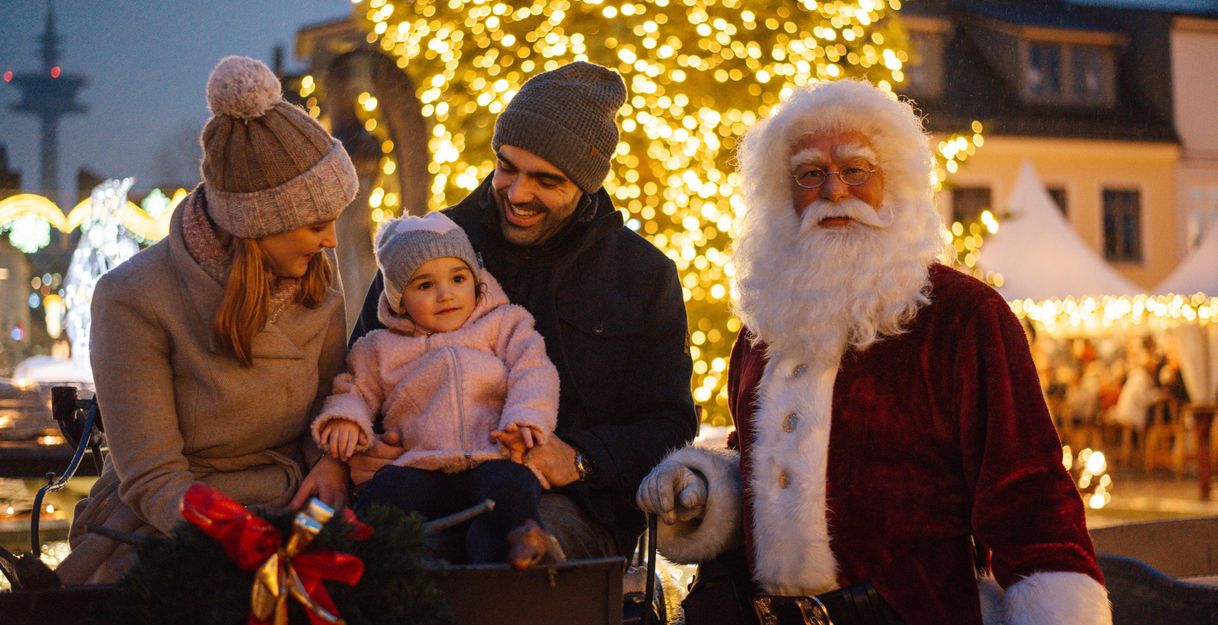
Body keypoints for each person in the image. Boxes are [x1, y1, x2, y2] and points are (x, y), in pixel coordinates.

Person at [636, 80, 1110, 625]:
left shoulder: (963, 317)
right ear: (783, 193)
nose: (834, 191)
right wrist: (705, 489)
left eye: (857, 169)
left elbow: (1030, 501)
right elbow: (762, 464)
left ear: (897, 182)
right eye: (811, 173)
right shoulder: (765, 325)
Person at [330, 61, 698, 559]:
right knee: (388, 555)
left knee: (511, 556)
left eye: (546, 180)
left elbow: (667, 425)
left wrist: (582, 458)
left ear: (585, 182)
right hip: (421, 477)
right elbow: (363, 364)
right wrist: (360, 449)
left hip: (568, 504)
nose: (518, 193)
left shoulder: (641, 275)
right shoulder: (430, 246)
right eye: (507, 167)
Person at [55, 56, 356, 585]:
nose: (331, 240)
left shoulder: (317, 279)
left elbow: (325, 410)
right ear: (259, 224)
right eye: (315, 225)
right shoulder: (133, 298)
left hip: (294, 500)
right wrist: (242, 539)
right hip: (169, 524)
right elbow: (152, 477)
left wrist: (330, 463)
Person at [312, 212, 559, 569]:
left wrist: (526, 421)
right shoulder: (379, 347)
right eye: (424, 286)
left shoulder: (504, 324)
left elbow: (533, 371)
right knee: (386, 492)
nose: (445, 294)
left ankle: (522, 538)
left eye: (458, 278)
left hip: (491, 455)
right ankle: (392, 554)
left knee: (512, 483)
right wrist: (346, 420)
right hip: (421, 466)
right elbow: (355, 390)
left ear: (475, 280)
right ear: (398, 298)